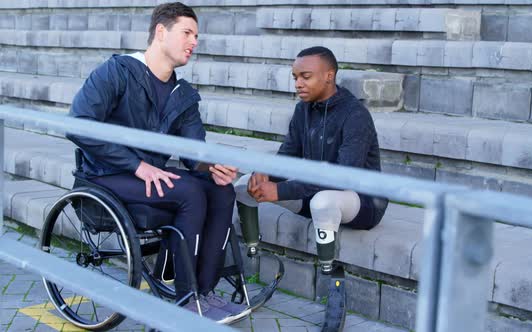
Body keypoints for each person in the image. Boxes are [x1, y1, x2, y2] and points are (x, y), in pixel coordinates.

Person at [66, 2, 247, 322]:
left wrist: (214, 167)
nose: (194, 42)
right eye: (187, 33)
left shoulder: (183, 93)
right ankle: (185, 296)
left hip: (150, 177)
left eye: (196, 36)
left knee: (220, 190)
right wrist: (137, 166)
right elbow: (78, 125)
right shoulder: (117, 72)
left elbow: (194, 152)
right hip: (105, 173)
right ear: (161, 32)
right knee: (190, 191)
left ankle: (204, 292)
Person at [235, 46, 389, 274]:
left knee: (323, 202)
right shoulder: (302, 110)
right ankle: (252, 258)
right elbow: (287, 157)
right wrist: (265, 174)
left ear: (329, 76)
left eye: (305, 77)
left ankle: (327, 271)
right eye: (295, 77)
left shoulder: (355, 115)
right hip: (314, 191)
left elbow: (343, 177)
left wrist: (279, 191)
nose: (298, 83)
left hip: (361, 201)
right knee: (244, 184)